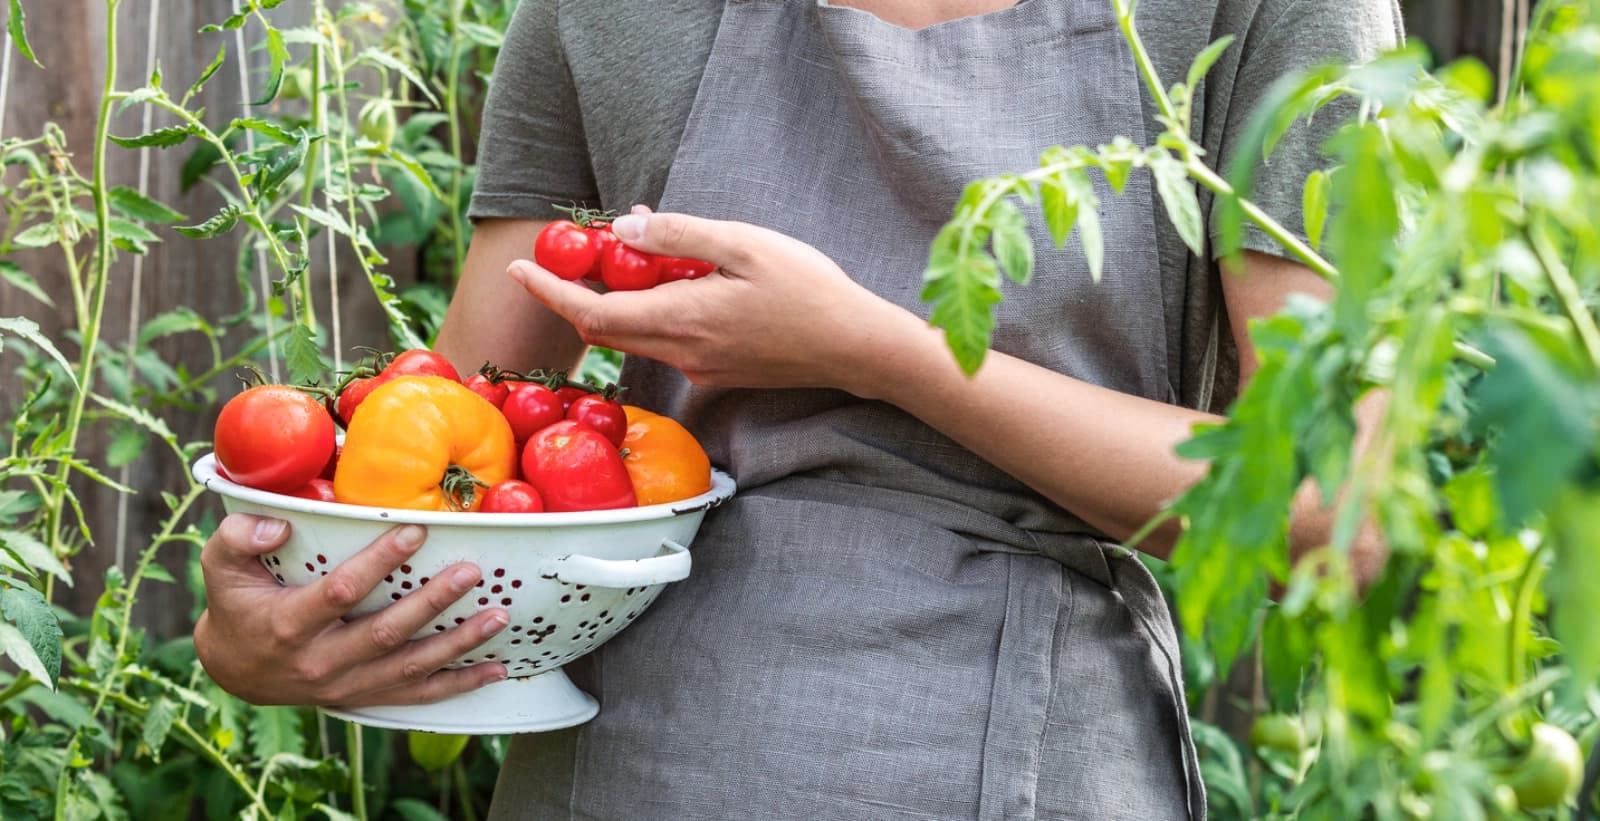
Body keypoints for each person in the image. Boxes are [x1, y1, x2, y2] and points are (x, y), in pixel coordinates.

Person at [195, 1, 1399, 818]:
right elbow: (447, 443)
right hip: (635, 761)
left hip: (1013, 753)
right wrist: (274, 630)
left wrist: (881, 350)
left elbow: (1328, 515)